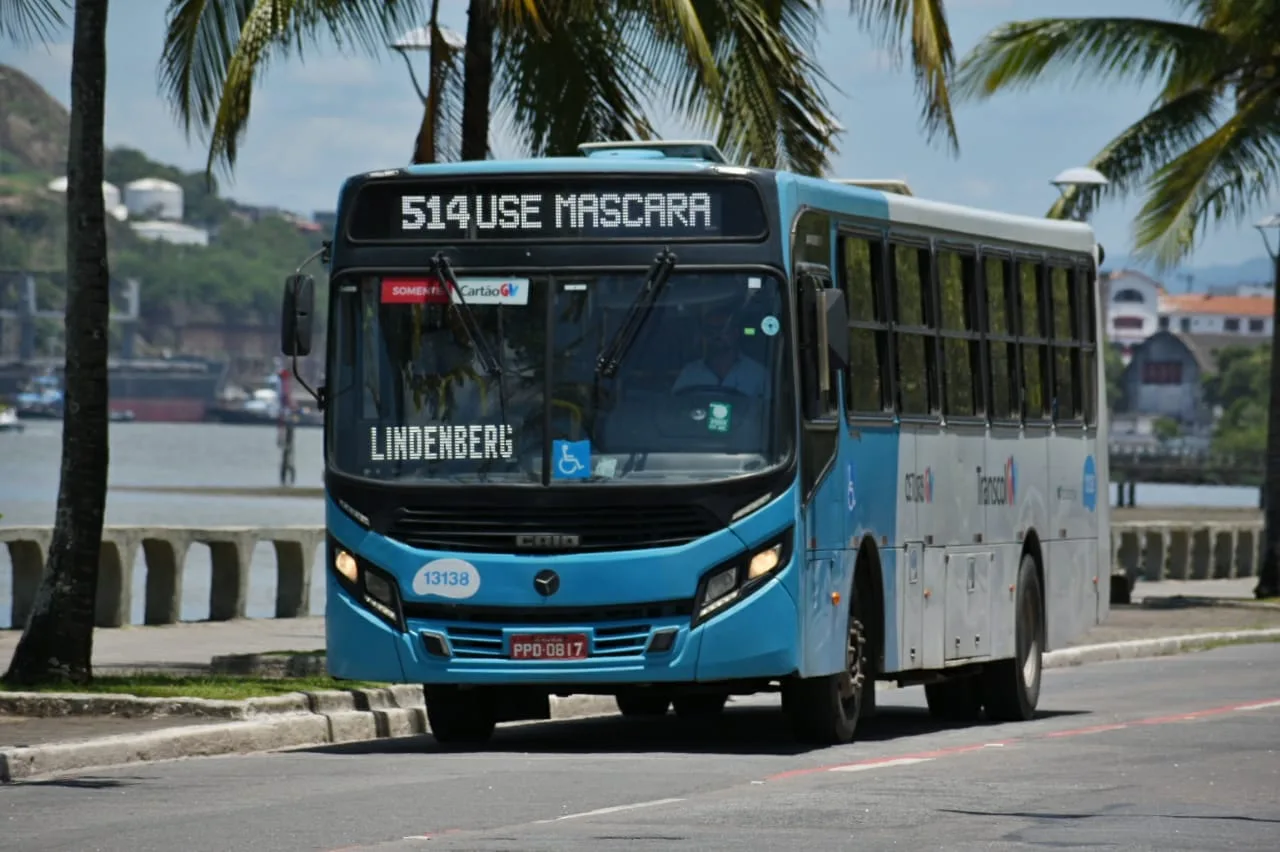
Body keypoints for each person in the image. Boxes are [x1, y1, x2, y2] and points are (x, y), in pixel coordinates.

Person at [672, 303, 767, 397]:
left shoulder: (757, 374)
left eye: (722, 329)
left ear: (735, 333)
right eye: (710, 331)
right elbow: (675, 405)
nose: (716, 335)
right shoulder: (690, 373)